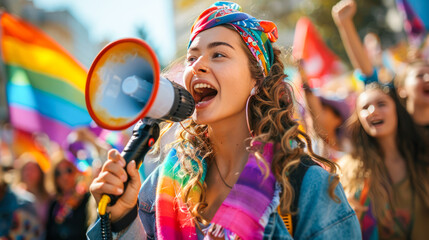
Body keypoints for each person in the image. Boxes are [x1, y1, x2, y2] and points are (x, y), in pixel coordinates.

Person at [88, 2, 361, 239]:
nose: (197, 66)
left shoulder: (308, 186)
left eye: (218, 54)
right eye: (192, 57)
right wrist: (121, 220)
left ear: (257, 79)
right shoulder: (159, 187)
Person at [339, 82, 429, 239]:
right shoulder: (347, 168)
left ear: (397, 110)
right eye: (365, 108)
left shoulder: (423, 159)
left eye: (381, 104)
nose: (373, 111)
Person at [332, 0, 429, 143]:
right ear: (402, 89)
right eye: (420, 75)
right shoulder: (392, 108)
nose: (428, 78)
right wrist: (345, 24)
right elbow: (367, 72)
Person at [45, 152, 92, 240]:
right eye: (58, 173)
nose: (64, 176)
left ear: (76, 171)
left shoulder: (87, 199)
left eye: (69, 170)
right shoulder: (54, 204)